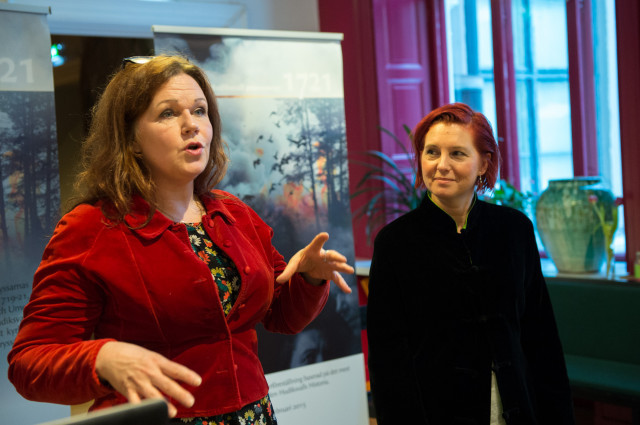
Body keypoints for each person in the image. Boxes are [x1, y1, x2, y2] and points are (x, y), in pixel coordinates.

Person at [7, 55, 354, 424]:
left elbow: (281, 315)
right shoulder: (92, 228)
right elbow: (30, 362)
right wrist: (102, 358)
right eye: (168, 114)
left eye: (200, 111)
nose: (192, 125)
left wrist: (310, 277)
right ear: (132, 139)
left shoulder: (233, 213)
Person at [366, 103, 574, 425]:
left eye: (457, 154)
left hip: (517, 407)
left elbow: (540, 336)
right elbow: (388, 361)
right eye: (431, 152)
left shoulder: (514, 229)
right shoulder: (395, 243)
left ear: (483, 163)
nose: (441, 165)